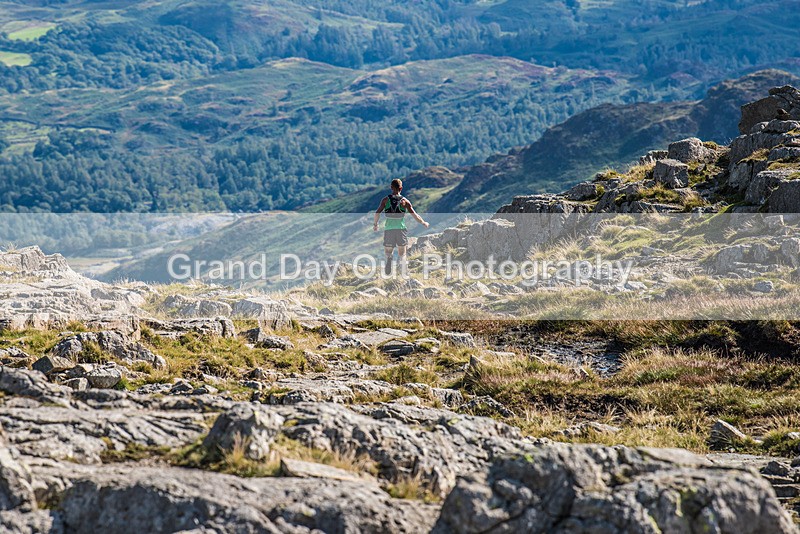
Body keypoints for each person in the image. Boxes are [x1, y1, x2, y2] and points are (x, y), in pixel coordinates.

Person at [373, 178, 429, 276]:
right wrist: (423, 222)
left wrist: (375, 224)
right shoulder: (405, 201)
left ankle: (389, 260)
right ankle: (403, 272)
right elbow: (415, 215)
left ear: (391, 187)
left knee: (388, 252)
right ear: (401, 188)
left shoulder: (385, 200)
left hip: (389, 229)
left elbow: (377, 213)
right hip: (401, 229)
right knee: (402, 254)